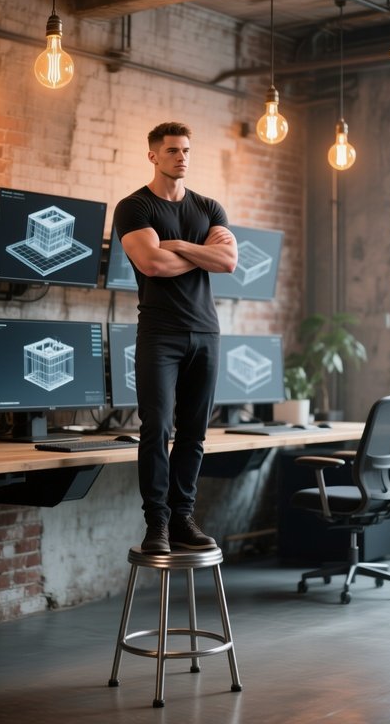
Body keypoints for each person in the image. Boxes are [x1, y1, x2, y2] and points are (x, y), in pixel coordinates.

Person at [113, 122, 238, 554]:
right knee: (157, 429)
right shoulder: (134, 207)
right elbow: (152, 265)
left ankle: (183, 517)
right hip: (160, 334)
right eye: (172, 151)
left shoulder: (209, 207)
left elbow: (228, 261)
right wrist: (201, 254)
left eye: (186, 149)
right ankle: (157, 526)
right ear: (153, 156)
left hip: (206, 332)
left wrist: (180, 245)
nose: (181, 157)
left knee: (194, 433)